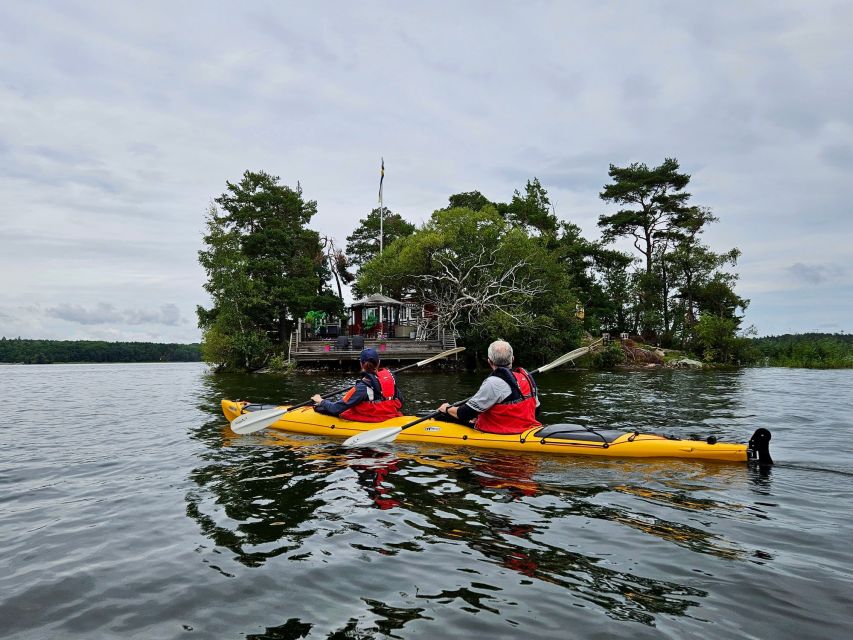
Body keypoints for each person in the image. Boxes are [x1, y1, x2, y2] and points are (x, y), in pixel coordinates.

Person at [436, 340, 541, 434]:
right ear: (512, 359)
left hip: (502, 432)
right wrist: (477, 416)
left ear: (489, 361)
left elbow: (464, 414)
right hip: (528, 429)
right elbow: (537, 411)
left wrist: (447, 408)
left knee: (442, 415)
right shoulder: (526, 377)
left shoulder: (493, 383)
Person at [312, 348, 404, 422]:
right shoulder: (390, 380)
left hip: (374, 419)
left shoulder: (361, 388)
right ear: (379, 362)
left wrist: (320, 400)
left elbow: (335, 409)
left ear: (361, 364)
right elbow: (401, 401)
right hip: (391, 416)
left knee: (324, 409)